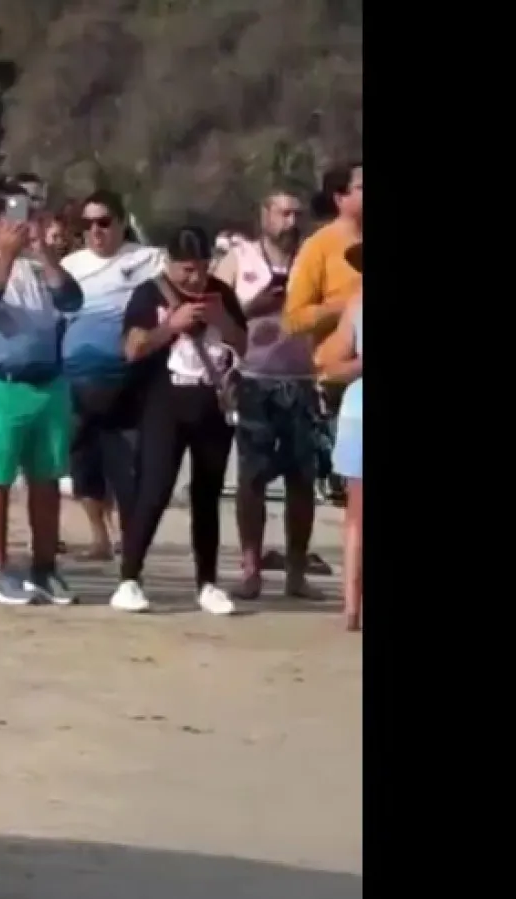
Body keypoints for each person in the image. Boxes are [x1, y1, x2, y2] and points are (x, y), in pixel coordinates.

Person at [0, 176, 84, 606]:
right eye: (21, 212)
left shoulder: (40, 260)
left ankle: (45, 569)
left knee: (46, 481)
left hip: (49, 382)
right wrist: (6, 255)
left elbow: (71, 302)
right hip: (0, 383)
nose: (30, 222)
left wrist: (46, 256)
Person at [110, 226, 248, 615]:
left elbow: (244, 346)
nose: (195, 277)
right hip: (164, 402)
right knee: (153, 489)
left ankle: (208, 583)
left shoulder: (222, 293)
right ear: (169, 263)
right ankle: (129, 577)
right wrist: (171, 326)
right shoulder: (150, 293)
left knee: (208, 495)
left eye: (201, 268)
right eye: (186, 269)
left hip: (212, 404)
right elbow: (133, 348)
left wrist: (223, 321)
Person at [215, 190, 326, 599]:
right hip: (254, 377)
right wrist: (252, 307)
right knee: (252, 478)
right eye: (283, 213)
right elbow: (215, 317)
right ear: (264, 216)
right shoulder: (238, 258)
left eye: (297, 214)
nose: (291, 222)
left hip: (303, 378)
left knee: (303, 480)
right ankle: (250, 569)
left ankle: (296, 572)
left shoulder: (315, 257)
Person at [59, 189, 163, 561]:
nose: (96, 231)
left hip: (127, 377)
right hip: (75, 378)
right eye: (87, 224)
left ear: (121, 223)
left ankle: (128, 536)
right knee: (83, 461)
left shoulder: (148, 260)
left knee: (128, 462)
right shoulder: (70, 265)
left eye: (103, 222)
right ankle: (99, 538)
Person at [283, 162, 363, 505]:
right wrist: (345, 306)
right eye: (362, 187)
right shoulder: (320, 246)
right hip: (339, 380)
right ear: (340, 197)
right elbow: (294, 319)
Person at [316, 242, 363, 630]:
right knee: (356, 516)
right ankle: (350, 605)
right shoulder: (356, 304)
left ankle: (351, 607)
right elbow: (329, 366)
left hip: (356, 411)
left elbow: (330, 365)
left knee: (355, 517)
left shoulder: (356, 304)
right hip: (358, 413)